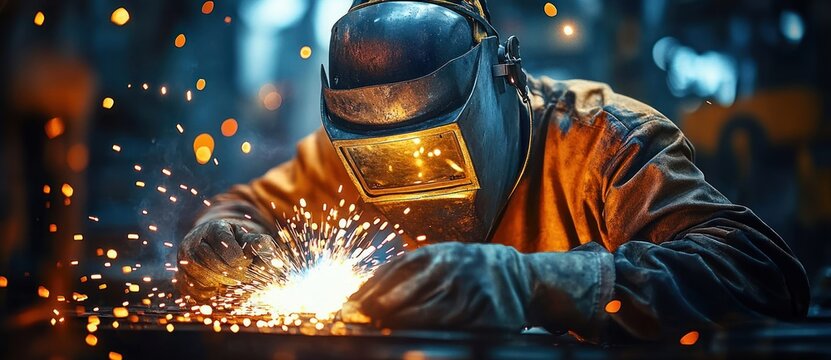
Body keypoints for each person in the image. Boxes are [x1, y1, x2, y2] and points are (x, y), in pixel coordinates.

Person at [176, 0, 809, 342]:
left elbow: (760, 271)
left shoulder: (602, 139)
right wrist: (222, 239)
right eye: (380, 158)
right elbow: (241, 211)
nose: (412, 173)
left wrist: (540, 284)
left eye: (433, 147)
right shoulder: (344, 154)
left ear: (503, 82)